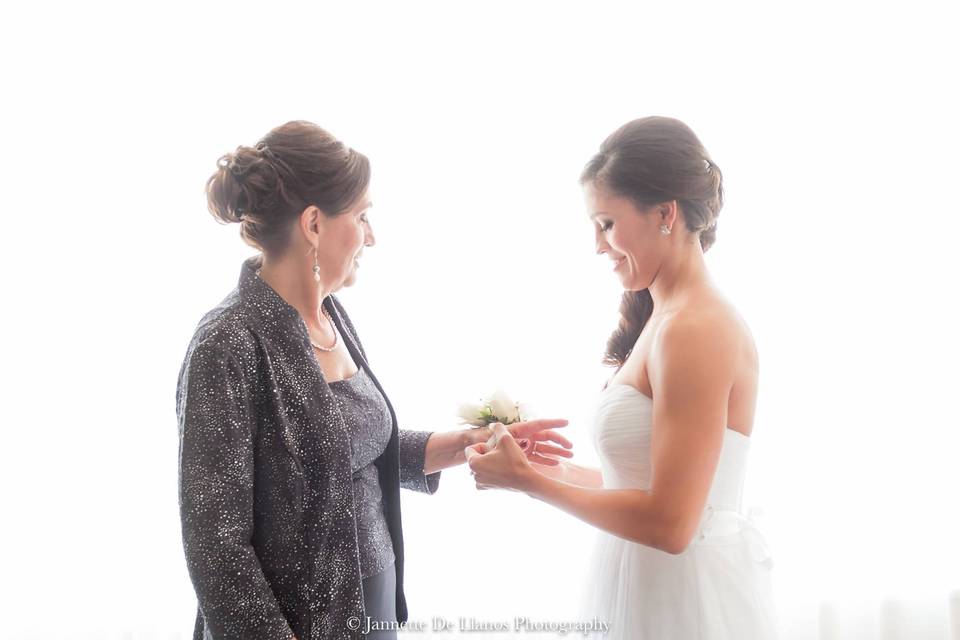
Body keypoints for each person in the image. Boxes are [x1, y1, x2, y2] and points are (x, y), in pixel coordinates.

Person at [176, 120, 572, 640]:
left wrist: (469, 444)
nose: (372, 236)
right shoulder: (227, 344)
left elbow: (346, 455)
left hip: (373, 607)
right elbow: (216, 546)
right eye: (362, 216)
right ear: (314, 224)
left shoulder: (330, 316)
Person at [464, 116, 779, 639]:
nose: (597, 244)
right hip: (651, 584)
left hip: (685, 600)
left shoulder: (696, 328)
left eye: (606, 223)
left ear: (665, 214)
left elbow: (671, 524)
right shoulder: (665, 316)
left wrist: (530, 482)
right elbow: (642, 487)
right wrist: (546, 471)